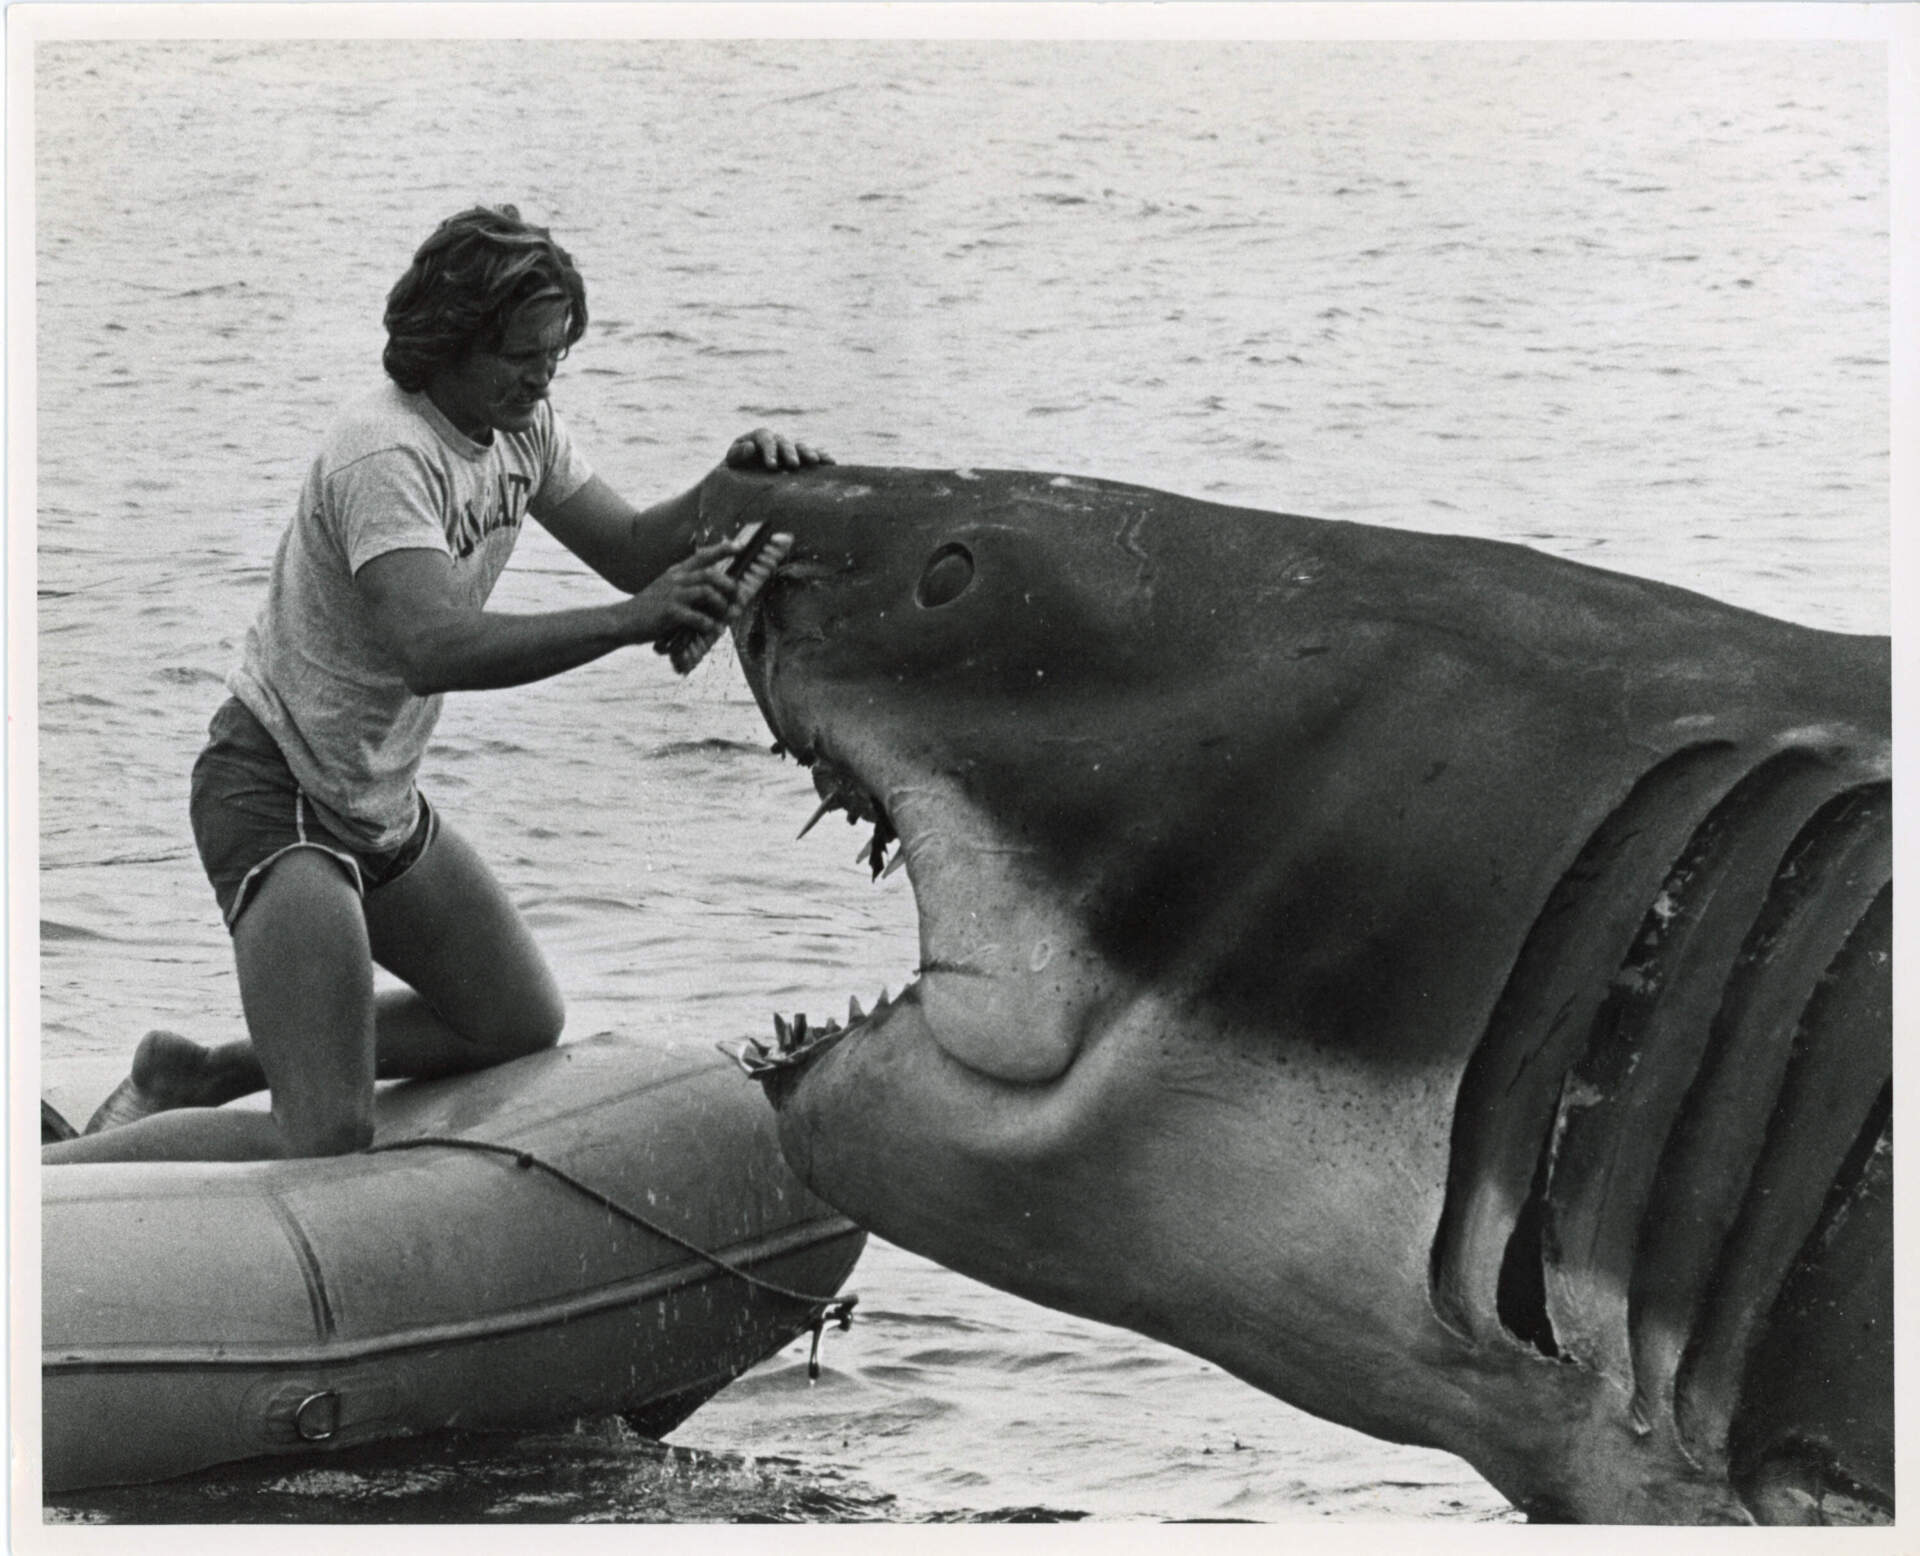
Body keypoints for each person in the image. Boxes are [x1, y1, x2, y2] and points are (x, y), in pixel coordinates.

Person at [44, 205, 830, 1164]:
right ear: (451, 343)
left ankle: (201, 1073)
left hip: (375, 796)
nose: (543, 376)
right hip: (278, 790)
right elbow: (434, 647)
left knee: (514, 1020)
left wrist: (734, 486)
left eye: (556, 355)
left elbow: (630, 552)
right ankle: (45, 1181)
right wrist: (637, 624)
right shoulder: (386, 450)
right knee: (328, 1135)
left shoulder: (520, 428)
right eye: (522, 356)